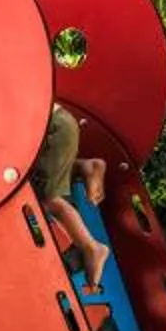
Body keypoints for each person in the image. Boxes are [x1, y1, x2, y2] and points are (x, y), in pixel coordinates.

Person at [38, 103, 113, 291]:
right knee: (45, 175)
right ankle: (82, 167)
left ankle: (92, 248)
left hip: (51, 130)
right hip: (59, 122)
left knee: (48, 197)